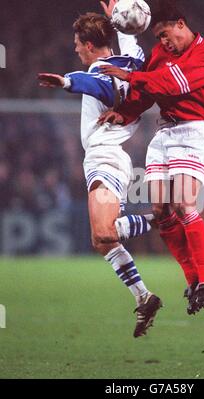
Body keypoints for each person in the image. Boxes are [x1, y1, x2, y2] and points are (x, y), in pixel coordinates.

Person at [38, 1, 162, 338]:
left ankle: (163, 219)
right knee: (101, 240)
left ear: (89, 45)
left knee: (106, 233)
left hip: (106, 156)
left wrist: (66, 82)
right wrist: (117, 21)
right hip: (105, 157)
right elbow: (132, 43)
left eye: (78, 43)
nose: (75, 48)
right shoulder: (132, 60)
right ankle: (144, 296)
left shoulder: (101, 70)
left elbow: (100, 87)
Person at [98, 0, 204, 315]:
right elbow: (147, 94)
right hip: (165, 133)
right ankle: (194, 281)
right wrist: (122, 113)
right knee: (161, 210)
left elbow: (173, 83)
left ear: (181, 24)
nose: (164, 42)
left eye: (166, 34)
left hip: (194, 132)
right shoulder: (160, 54)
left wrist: (130, 76)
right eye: (159, 38)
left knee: (183, 203)